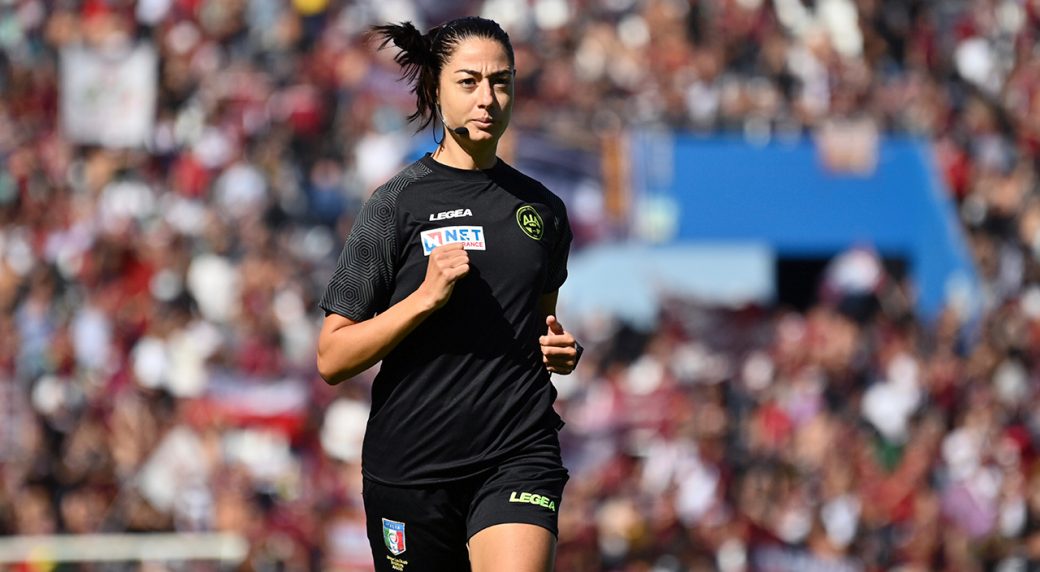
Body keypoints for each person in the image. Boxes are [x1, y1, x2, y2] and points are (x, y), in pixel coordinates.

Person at [316, 16, 582, 572]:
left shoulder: (544, 210)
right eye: (469, 81)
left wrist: (559, 350)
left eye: (501, 81)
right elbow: (332, 357)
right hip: (412, 465)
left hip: (517, 449)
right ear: (436, 90)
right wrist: (422, 299)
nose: (488, 98)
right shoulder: (394, 205)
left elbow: (541, 324)